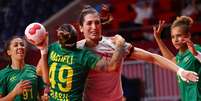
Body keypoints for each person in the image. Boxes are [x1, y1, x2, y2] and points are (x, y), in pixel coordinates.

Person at [76, 5, 199, 101]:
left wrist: (181, 71)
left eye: (97, 22)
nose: (94, 27)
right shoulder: (73, 51)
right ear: (81, 27)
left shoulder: (114, 43)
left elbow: (152, 57)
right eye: (89, 23)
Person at [36, 23, 126, 101]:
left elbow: (41, 73)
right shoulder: (84, 55)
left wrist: (44, 50)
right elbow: (111, 66)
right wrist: (120, 44)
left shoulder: (53, 48)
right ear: (77, 37)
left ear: (59, 40)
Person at [153, 16, 201, 101]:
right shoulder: (180, 55)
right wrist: (158, 39)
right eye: (173, 37)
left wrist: (196, 54)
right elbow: (171, 60)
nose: (175, 40)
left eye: (178, 36)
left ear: (188, 36)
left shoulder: (196, 49)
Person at [0, 36, 45, 101]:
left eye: (22, 45)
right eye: (16, 45)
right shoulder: (2, 74)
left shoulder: (35, 70)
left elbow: (42, 95)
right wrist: (14, 93)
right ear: (9, 52)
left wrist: (45, 97)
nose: (20, 47)